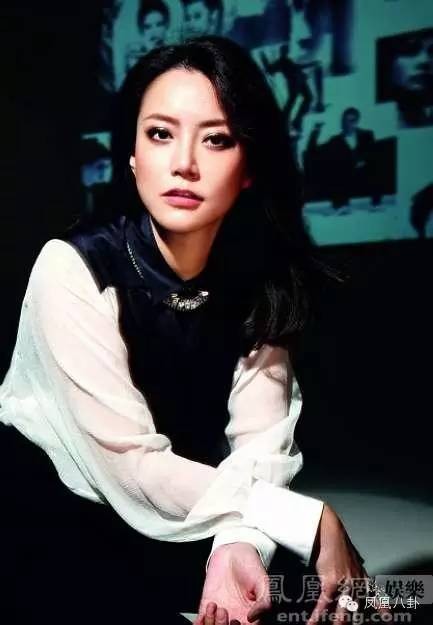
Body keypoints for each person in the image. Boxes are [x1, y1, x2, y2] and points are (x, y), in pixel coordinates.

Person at [0, 37, 387, 625]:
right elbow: (130, 465)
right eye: (160, 134)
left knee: (362, 600)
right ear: (133, 155)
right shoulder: (74, 267)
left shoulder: (260, 276)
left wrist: (238, 542)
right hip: (57, 518)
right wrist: (308, 519)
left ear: (250, 166)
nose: (184, 162)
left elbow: (261, 446)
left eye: (217, 139)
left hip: (192, 507)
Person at [305, 107, 381, 210]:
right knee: (335, 170)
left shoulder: (367, 135)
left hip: (365, 172)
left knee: (375, 165)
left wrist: (362, 160)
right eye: (345, 121)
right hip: (346, 175)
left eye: (352, 120)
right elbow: (313, 151)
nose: (348, 124)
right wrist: (316, 130)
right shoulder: (335, 140)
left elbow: (373, 152)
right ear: (342, 122)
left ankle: (376, 203)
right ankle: (341, 205)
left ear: (357, 121)